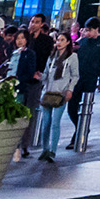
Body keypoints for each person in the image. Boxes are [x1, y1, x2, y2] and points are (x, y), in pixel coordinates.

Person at [32, 34, 78, 163]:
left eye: (62, 40)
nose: (59, 42)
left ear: (68, 42)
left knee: (55, 122)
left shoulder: (72, 57)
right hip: (48, 92)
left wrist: (70, 90)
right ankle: (45, 149)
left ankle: (53, 150)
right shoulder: (52, 57)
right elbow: (47, 75)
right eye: (58, 40)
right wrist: (40, 77)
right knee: (45, 122)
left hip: (61, 93)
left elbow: (75, 75)